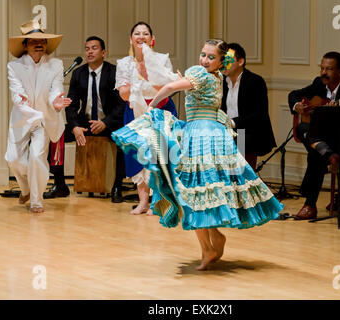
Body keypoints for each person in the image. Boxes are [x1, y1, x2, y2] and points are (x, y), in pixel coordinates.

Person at [112, 39, 284, 271]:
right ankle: (212, 241)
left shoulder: (200, 75)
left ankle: (208, 246)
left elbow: (171, 89)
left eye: (211, 57)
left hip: (201, 135)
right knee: (200, 192)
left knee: (191, 192)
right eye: (203, 54)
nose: (204, 60)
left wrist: (151, 107)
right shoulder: (217, 78)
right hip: (212, 133)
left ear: (222, 61)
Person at [45, 36, 126, 203]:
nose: (90, 51)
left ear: (103, 52)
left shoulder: (114, 72)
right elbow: (71, 104)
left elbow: (121, 106)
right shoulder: (78, 73)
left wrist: (105, 123)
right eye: (87, 48)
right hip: (85, 123)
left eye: (94, 48)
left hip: (108, 123)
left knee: (124, 140)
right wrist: (74, 126)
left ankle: (117, 186)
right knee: (56, 135)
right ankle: (59, 184)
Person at [5, 20, 72, 213]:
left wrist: (55, 103)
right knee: (13, 159)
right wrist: (21, 99)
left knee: (37, 157)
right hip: (23, 117)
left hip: (45, 118)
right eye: (33, 41)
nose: (39, 44)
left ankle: (36, 199)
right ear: (25, 45)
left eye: (42, 40)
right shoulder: (14, 66)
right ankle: (25, 188)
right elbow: (16, 92)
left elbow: (56, 89)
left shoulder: (56, 65)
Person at [288, 51, 340, 220]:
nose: (323, 72)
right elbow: (293, 94)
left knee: (314, 156)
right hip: (323, 143)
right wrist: (297, 106)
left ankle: (310, 204)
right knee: (302, 127)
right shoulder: (318, 83)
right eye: (322, 68)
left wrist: (334, 114)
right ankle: (328, 155)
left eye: (329, 69)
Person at [116, 21, 178, 215]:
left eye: (145, 34)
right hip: (134, 112)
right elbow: (124, 94)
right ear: (131, 39)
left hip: (160, 111)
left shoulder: (162, 59)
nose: (141, 37)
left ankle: (158, 202)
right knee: (137, 156)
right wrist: (137, 86)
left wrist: (147, 77)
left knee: (159, 157)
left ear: (152, 39)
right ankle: (143, 201)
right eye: (137, 34)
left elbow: (167, 90)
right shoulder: (124, 63)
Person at [221, 43, 276, 170]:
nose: (224, 64)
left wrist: (232, 123)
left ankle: (242, 182)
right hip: (228, 131)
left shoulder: (255, 81)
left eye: (228, 60)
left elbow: (258, 115)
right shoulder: (221, 82)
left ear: (240, 62)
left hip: (248, 131)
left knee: (238, 142)